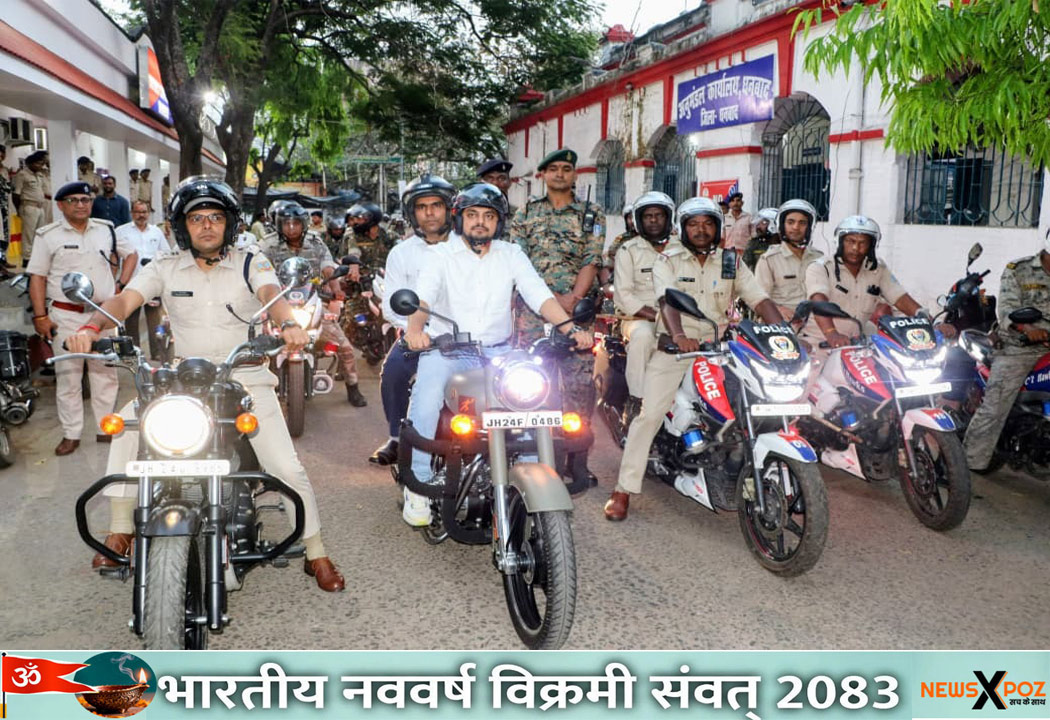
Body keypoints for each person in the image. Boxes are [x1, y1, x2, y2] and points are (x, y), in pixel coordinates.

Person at [66, 178, 345, 591]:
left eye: (215, 217)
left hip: (243, 374)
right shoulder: (163, 266)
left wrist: (288, 324)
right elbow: (125, 300)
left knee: (285, 465)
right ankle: (121, 527)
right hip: (184, 375)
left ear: (229, 224)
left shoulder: (253, 262)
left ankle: (316, 550)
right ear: (183, 227)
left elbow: (272, 292)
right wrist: (90, 326)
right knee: (127, 422)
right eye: (197, 219)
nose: (207, 226)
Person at [400, 183, 592, 526]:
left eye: (488, 216)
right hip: (448, 350)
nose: (480, 223)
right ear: (460, 219)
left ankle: (534, 479)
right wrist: (415, 330)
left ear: (498, 222)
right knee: (426, 397)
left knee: (535, 401)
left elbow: (538, 294)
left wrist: (570, 329)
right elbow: (423, 298)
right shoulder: (440, 255)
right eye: (472, 215)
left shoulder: (511, 253)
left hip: (501, 352)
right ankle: (418, 485)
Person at [604, 197, 783, 521]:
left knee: (757, 398)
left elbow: (758, 298)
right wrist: (678, 337)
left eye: (708, 223)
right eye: (693, 224)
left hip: (720, 347)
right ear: (683, 228)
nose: (701, 230)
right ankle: (623, 489)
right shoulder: (668, 260)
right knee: (650, 415)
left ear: (717, 227)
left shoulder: (730, 260)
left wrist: (783, 334)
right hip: (676, 348)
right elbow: (667, 301)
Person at [509, 147, 604, 485]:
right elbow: (517, 263)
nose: (561, 174)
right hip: (533, 315)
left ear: (575, 174)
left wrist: (573, 299)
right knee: (532, 383)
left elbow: (591, 259)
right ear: (543, 176)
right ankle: (536, 455)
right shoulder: (524, 214)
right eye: (554, 169)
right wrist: (547, 301)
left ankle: (577, 460)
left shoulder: (591, 213)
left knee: (579, 385)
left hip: (576, 313)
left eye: (567, 168)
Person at [27, 181, 138, 455]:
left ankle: (105, 429)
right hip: (65, 316)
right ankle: (71, 434)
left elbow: (132, 255)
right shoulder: (48, 235)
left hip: (102, 314)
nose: (81, 205)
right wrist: (40, 316)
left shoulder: (107, 230)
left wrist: (120, 287)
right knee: (69, 377)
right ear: (61, 205)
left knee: (106, 375)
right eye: (74, 200)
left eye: (86, 200)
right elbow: (38, 277)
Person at [370, 174, 456, 465]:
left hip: (467, 336)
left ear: (448, 208)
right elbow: (391, 305)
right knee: (393, 372)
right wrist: (415, 330)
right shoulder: (401, 253)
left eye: (436, 205)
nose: (429, 212)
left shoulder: (467, 246)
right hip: (417, 336)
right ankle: (396, 436)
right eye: (422, 207)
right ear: (413, 213)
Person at [261, 203, 367, 407]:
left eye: (296, 223)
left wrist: (335, 288)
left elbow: (327, 266)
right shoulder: (267, 245)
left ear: (304, 224)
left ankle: (353, 387)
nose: (291, 228)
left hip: (310, 300)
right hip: (278, 305)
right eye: (286, 224)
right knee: (257, 347)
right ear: (278, 225)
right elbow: (258, 271)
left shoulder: (316, 242)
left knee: (344, 346)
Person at [963, 238, 1050, 471]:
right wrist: (1028, 329)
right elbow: (1008, 311)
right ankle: (965, 465)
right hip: (1020, 346)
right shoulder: (1019, 270)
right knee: (996, 404)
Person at [804, 215, 930, 348]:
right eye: (850, 241)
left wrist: (931, 323)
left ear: (871, 246)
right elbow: (818, 300)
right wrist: (832, 334)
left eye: (862, 243)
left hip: (858, 344)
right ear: (840, 241)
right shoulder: (820, 267)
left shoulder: (877, 269)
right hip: (821, 342)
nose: (855, 248)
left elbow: (900, 298)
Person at [613, 191, 677, 416]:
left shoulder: (682, 248)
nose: (653, 220)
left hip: (681, 318)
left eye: (658, 215)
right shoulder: (627, 250)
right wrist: (659, 317)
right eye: (648, 216)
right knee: (643, 338)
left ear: (668, 218)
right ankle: (637, 401)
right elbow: (624, 295)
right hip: (640, 318)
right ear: (639, 220)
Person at [116, 200, 172, 359]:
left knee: (155, 321)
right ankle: (134, 353)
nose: (141, 215)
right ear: (132, 213)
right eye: (137, 212)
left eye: (144, 212)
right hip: (131, 283)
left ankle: (157, 353)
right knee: (131, 321)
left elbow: (165, 254)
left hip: (153, 283)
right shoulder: (121, 231)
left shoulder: (156, 232)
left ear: (149, 213)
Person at [753, 199, 823, 319]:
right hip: (780, 325)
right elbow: (758, 299)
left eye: (802, 223)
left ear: (809, 226)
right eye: (791, 222)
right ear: (782, 225)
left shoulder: (820, 259)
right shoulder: (769, 260)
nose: (796, 227)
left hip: (814, 327)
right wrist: (779, 309)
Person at [12, 150, 50, 265]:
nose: (40, 166)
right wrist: (19, 209)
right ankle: (26, 259)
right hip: (28, 206)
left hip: (40, 207)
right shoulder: (22, 174)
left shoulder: (39, 175)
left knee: (40, 234)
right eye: (37, 163)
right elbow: (16, 194)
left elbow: (43, 191)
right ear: (30, 164)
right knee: (28, 234)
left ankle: (36, 256)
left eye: (41, 163)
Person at [347, 202, 394, 269]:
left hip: (386, 276)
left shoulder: (390, 236)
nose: (356, 222)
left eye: (360, 219)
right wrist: (354, 264)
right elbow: (353, 251)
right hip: (362, 277)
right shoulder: (353, 236)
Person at [601, 201, 636, 283]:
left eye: (635, 218)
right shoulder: (621, 239)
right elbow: (609, 257)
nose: (633, 221)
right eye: (630, 218)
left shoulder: (651, 238)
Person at [0, 144, 11, 270]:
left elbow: (8, 188)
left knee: (5, 233)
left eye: (3, 154)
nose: (1, 156)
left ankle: (3, 259)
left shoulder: (4, 169)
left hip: (5, 206)